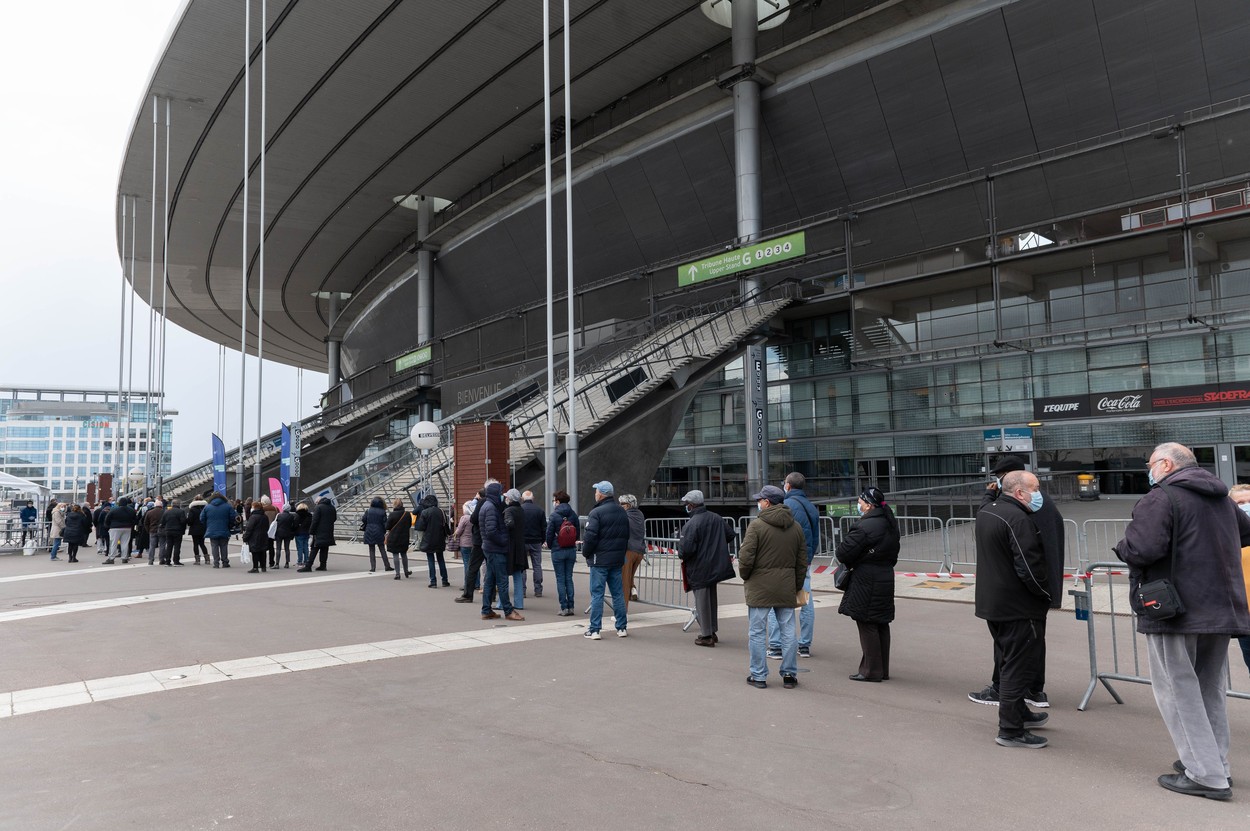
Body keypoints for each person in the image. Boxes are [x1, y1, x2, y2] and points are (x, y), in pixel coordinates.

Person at [1113, 443, 1250, 800]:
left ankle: (1206, 775)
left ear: (1165, 464)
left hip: (1174, 607)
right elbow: (1246, 534)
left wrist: (1122, 546)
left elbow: (1141, 549)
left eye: (1150, 464)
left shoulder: (1162, 498)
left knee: (1178, 691)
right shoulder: (1221, 498)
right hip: (1220, 605)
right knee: (1209, 690)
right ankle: (1214, 764)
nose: (1149, 470)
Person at [969, 456, 1065, 709]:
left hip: (1018, 593)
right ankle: (1033, 690)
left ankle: (1007, 699)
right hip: (1036, 590)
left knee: (1009, 648)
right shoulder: (1043, 507)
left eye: (998, 479)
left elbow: (989, 523)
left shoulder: (1015, 510)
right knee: (1032, 643)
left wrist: (988, 498)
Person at [974, 470, 1052, 749]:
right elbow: (1029, 567)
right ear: (1019, 493)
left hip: (994, 603)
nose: (1040, 493)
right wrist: (1045, 594)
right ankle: (1011, 729)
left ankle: (1019, 713)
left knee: (1009, 661)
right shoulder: (1017, 518)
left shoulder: (988, 511)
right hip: (1018, 606)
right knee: (1018, 666)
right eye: (1036, 488)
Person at [738, 485, 807, 689]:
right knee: (788, 630)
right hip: (786, 586)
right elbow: (801, 562)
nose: (758, 503)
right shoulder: (795, 527)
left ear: (767, 502)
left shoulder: (757, 526)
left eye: (760, 500)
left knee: (757, 632)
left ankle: (759, 675)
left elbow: (746, 558)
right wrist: (796, 585)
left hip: (760, 587)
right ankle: (789, 674)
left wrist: (746, 576)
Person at [836, 487, 900, 681]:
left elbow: (843, 553)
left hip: (866, 579)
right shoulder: (890, 524)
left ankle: (871, 671)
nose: (859, 505)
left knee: (866, 623)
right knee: (880, 623)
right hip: (884, 576)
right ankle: (882, 669)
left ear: (869, 505)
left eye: (860, 502)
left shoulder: (864, 526)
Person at [768, 472, 820, 659]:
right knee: (806, 602)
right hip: (804, 562)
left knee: (777, 601)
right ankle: (804, 645)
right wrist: (808, 559)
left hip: (787, 562)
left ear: (788, 486)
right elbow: (815, 537)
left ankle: (776, 645)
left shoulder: (786, 506)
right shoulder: (811, 508)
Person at [677, 490, 736, 646]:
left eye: (686, 504)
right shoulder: (716, 518)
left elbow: (685, 550)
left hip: (699, 567)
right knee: (711, 600)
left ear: (690, 505)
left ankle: (706, 635)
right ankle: (712, 630)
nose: (685, 506)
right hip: (715, 565)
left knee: (702, 601)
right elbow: (730, 535)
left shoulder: (692, 523)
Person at [580, 481, 629, 639]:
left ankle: (595, 629)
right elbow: (626, 535)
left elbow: (590, 537)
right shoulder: (622, 511)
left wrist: (585, 553)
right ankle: (621, 627)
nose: (595, 493)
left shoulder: (596, 513)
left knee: (597, 594)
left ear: (600, 494)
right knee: (618, 594)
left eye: (596, 491)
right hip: (616, 559)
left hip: (599, 559)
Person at [479, 482, 523, 621]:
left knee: (490, 581)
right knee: (502, 581)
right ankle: (508, 611)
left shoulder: (488, 505)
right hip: (495, 549)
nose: (502, 496)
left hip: (489, 548)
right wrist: (503, 540)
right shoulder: (491, 507)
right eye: (500, 493)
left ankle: (486, 610)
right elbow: (491, 531)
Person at [455, 485, 492, 604]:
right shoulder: (495, 503)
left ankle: (467, 594)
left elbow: (473, 519)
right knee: (491, 567)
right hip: (490, 541)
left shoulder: (481, 503)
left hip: (479, 540)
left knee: (472, 567)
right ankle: (491, 594)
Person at [545, 490, 579, 616]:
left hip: (558, 550)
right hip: (571, 550)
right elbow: (577, 533)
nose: (554, 503)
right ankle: (571, 606)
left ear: (558, 501)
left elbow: (549, 534)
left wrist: (550, 545)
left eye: (554, 500)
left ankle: (563, 607)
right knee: (569, 578)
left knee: (560, 579)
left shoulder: (554, 516)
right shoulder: (573, 514)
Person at [1228, 484, 1250, 674]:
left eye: (1249, 502)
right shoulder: (1227, 536)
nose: (1246, 506)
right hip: (1246, 617)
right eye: (1240, 502)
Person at [502, 489, 529, 607]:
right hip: (520, 547)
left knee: (504, 576)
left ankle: (502, 603)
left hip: (509, 547)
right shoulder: (521, 510)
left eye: (507, 497)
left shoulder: (508, 510)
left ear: (510, 498)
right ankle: (519, 603)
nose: (505, 498)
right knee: (518, 575)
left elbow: (509, 524)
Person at [416, 493, 449, 587]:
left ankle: (433, 581)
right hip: (440, 538)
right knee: (441, 559)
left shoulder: (425, 512)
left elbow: (421, 527)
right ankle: (445, 580)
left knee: (430, 560)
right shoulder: (441, 511)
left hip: (429, 539)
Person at [620, 493, 646, 608]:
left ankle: (622, 612)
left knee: (623, 582)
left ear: (629, 505)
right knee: (629, 576)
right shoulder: (640, 514)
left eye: (622, 504)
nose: (620, 506)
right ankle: (633, 588)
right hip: (639, 552)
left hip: (628, 551)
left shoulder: (624, 516)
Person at [299, 495, 338, 572]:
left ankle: (308, 566)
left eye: (316, 502)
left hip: (319, 532)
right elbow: (334, 519)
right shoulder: (332, 507)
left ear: (318, 501)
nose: (316, 504)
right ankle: (323, 565)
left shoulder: (319, 507)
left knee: (314, 548)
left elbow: (315, 521)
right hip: (328, 531)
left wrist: (311, 531)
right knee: (324, 548)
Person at [520, 490, 546, 598]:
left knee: (522, 566)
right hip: (536, 541)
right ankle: (538, 589)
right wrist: (542, 540)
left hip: (523, 541)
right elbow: (544, 528)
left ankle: (522, 590)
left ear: (522, 499)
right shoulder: (539, 510)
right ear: (533, 498)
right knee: (537, 565)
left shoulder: (520, 510)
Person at [201, 491, 236, 568]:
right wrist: (229, 525)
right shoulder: (228, 506)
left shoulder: (207, 507)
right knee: (224, 546)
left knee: (214, 546)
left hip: (212, 529)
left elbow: (202, 518)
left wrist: (208, 525)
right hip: (224, 528)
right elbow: (233, 517)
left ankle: (216, 563)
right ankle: (225, 562)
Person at [360, 496, 392, 573]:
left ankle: (373, 567)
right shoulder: (382, 512)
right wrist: (385, 531)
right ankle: (387, 566)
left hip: (369, 531)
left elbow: (364, 519)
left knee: (371, 549)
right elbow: (385, 523)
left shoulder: (369, 510)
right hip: (379, 531)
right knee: (382, 549)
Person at [103, 497, 138, 564]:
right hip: (127, 527)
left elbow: (107, 518)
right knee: (125, 543)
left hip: (115, 527)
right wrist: (131, 524)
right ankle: (124, 558)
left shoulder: (114, 510)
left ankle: (111, 558)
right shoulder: (131, 510)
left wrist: (108, 526)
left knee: (113, 543)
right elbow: (135, 519)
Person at [385, 498, 413, 581]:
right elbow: (409, 525)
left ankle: (397, 573)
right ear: (402, 504)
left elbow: (387, 527)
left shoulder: (392, 514)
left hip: (394, 537)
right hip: (404, 536)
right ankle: (406, 571)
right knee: (404, 554)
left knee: (395, 554)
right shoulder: (407, 514)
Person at [159, 499, 188, 566]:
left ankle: (167, 561)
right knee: (177, 546)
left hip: (168, 530)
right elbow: (183, 521)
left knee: (169, 546)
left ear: (172, 504)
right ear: (179, 504)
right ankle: (176, 561)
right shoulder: (181, 511)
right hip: (178, 531)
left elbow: (162, 522)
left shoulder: (167, 512)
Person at [243, 504, 270, 574]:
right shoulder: (265, 516)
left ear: (254, 508)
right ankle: (263, 567)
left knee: (255, 552)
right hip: (264, 536)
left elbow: (249, 528)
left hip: (254, 537)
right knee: (262, 552)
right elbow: (267, 526)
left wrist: (245, 537)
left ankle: (255, 567)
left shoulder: (253, 517)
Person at [187, 493, 210, 564]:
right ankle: (207, 559)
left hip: (194, 528)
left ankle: (197, 560)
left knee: (195, 544)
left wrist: (189, 523)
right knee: (202, 544)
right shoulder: (205, 508)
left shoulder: (192, 509)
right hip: (203, 528)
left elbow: (190, 520)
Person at [273, 504, 296, 568]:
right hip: (288, 533)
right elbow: (293, 526)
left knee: (278, 548)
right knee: (287, 548)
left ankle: (277, 563)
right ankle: (287, 563)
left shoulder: (279, 516)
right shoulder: (291, 516)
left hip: (279, 533)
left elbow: (276, 524)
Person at [142, 499, 165, 565]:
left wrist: (148, 530)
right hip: (162, 530)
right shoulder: (164, 512)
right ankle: (161, 559)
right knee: (162, 545)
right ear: (161, 506)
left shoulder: (149, 512)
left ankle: (151, 560)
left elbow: (146, 523)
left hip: (152, 530)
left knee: (152, 546)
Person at [294, 502, 312, 567]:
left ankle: (299, 561)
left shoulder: (297, 515)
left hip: (299, 533)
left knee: (300, 548)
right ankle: (306, 561)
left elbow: (295, 525)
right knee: (306, 547)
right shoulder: (309, 515)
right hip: (306, 532)